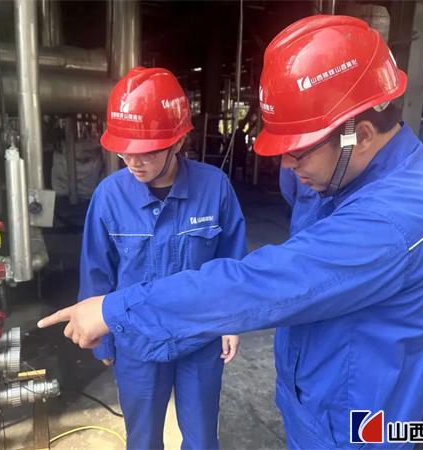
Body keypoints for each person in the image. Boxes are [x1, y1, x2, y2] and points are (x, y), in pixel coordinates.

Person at [40, 16, 423, 449]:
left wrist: (116, 310)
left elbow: (259, 283)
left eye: (297, 153)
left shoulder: (395, 219)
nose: (286, 169)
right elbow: (99, 264)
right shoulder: (341, 171)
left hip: (354, 426)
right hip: (311, 399)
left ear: (362, 136)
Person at [76, 66, 247, 450]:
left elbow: (233, 263)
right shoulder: (109, 197)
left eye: (148, 152)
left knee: (202, 439)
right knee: (142, 440)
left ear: (178, 141)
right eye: (125, 151)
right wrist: (102, 340)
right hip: (137, 341)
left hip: (199, 336)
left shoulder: (214, 187)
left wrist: (233, 321)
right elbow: (96, 270)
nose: (134, 162)